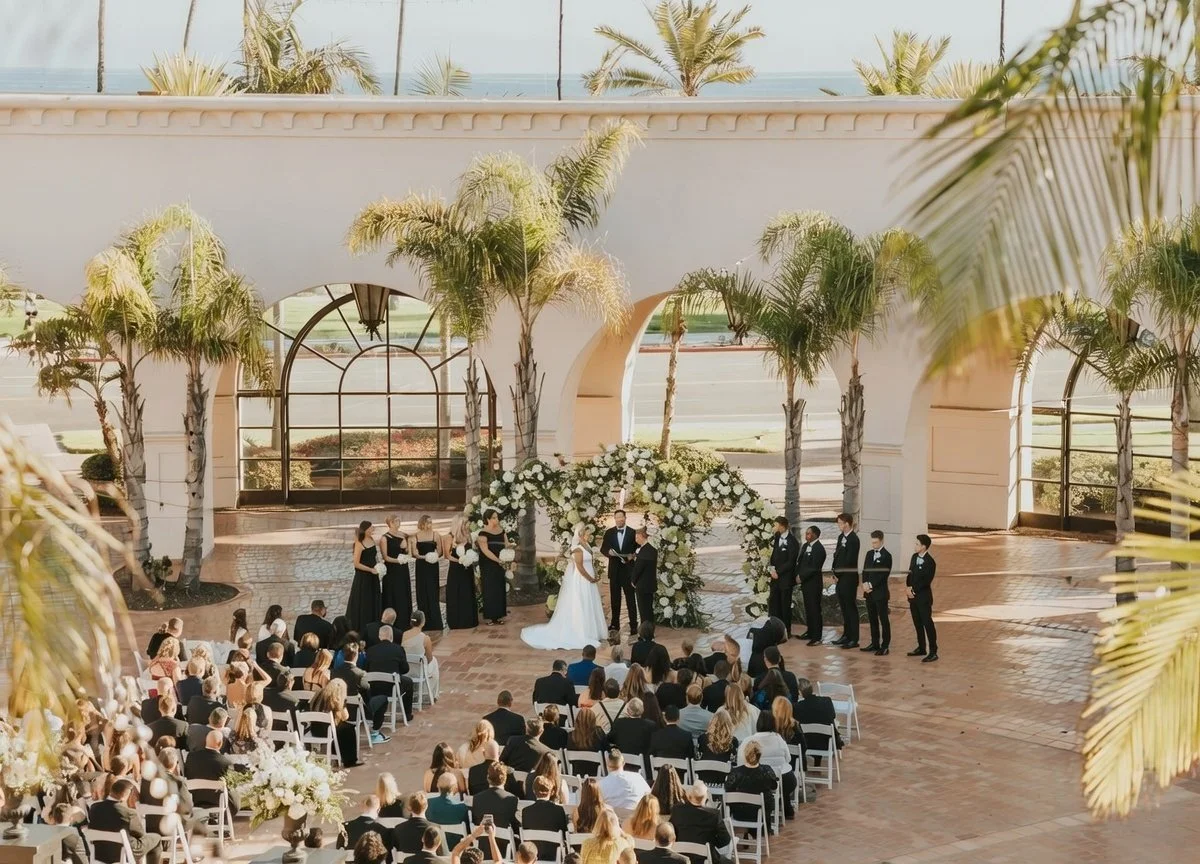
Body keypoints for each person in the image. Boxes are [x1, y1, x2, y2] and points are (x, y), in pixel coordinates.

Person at [522, 524, 607, 649]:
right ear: (581, 535)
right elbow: (580, 567)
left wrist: (595, 574)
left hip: (590, 579)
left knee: (591, 603)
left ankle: (593, 630)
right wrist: (590, 578)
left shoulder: (587, 546)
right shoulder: (577, 549)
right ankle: (582, 631)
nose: (589, 536)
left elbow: (590, 562)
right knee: (582, 602)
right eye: (587, 533)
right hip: (583, 579)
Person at [87, 778, 161, 864]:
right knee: (156, 838)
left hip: (100, 852)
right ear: (127, 794)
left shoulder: (94, 807)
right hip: (123, 851)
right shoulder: (128, 812)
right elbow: (140, 834)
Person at [736, 716, 796, 822]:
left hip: (757, 779)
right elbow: (788, 758)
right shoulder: (779, 739)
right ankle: (785, 807)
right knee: (781, 784)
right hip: (783, 779)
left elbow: (740, 761)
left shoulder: (749, 740)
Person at [332, 642, 391, 745]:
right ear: (356, 655)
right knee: (383, 699)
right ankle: (375, 733)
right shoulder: (360, 673)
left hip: (340, 708)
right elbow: (367, 691)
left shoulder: (334, 672)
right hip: (357, 711)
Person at [669, 782, 730, 864]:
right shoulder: (713, 814)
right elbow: (725, 839)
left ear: (689, 797)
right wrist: (712, 844)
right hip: (705, 858)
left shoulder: (677, 810)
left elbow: (671, 830)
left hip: (680, 856)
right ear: (705, 797)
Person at [600, 510, 639, 635]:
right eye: (617, 518)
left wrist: (633, 555)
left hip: (628, 571)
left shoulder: (633, 532)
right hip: (615, 571)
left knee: (630, 599)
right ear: (614, 519)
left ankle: (634, 625)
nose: (619, 520)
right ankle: (614, 624)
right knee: (615, 599)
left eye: (621, 517)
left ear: (625, 518)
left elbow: (638, 548)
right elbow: (603, 548)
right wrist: (608, 553)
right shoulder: (609, 532)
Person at [365, 624, 416, 720]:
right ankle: (407, 714)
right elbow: (405, 669)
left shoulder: (370, 650)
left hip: (374, 688)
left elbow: (366, 669)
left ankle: (370, 713)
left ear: (379, 636)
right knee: (408, 682)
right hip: (392, 688)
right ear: (391, 637)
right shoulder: (398, 649)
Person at [310, 679, 362, 768]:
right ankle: (349, 760)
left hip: (315, 729)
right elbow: (346, 717)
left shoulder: (318, 694)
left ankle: (337, 755)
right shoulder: (336, 699)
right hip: (328, 730)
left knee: (341, 728)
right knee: (349, 729)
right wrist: (343, 704)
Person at [183, 730, 239, 813]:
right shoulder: (225, 762)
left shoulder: (191, 757)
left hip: (195, 801)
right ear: (220, 744)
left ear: (206, 741)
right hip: (216, 803)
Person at [830, 512, 861, 648]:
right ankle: (846, 635)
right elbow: (836, 555)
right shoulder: (840, 537)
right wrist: (834, 572)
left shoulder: (854, 539)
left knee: (851, 608)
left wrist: (839, 573)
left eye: (840, 523)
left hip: (848, 578)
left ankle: (854, 638)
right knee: (843, 608)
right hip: (840, 578)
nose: (839, 525)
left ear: (847, 524)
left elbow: (849, 561)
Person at [471, 762, 519, 850]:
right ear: (505, 778)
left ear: (488, 778)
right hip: (505, 848)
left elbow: (475, 822)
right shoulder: (512, 799)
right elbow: (515, 826)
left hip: (482, 847)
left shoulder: (477, 798)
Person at [906, 533, 939, 662]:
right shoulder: (914, 557)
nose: (915, 546)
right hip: (913, 596)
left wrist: (914, 590)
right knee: (917, 622)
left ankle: (933, 651)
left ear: (924, 547)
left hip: (923, 597)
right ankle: (921, 647)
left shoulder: (930, 562)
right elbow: (910, 574)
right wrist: (908, 587)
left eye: (917, 544)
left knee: (927, 623)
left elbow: (926, 581)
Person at [793, 678, 843, 759]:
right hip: (827, 742)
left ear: (799, 692)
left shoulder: (798, 707)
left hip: (807, 743)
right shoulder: (827, 701)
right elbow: (833, 716)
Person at [522, 775, 569, 860]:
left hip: (532, 856)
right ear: (551, 792)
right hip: (554, 856)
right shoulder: (558, 810)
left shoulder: (526, 811)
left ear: (533, 791)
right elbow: (565, 835)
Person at [379, 515, 415, 627]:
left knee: (403, 593)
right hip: (392, 569)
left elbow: (408, 551)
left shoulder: (403, 535)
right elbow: (385, 557)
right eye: (396, 521)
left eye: (399, 520)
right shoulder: (385, 538)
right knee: (393, 593)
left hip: (403, 569)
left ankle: (405, 620)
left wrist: (409, 548)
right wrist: (398, 560)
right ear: (390, 522)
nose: (398, 522)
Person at [861, 529, 893, 655]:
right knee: (872, 618)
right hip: (869, 592)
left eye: (876, 542)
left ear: (882, 541)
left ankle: (885, 645)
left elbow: (883, 575)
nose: (873, 545)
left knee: (883, 619)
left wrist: (871, 584)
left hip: (880, 593)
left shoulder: (887, 556)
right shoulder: (869, 554)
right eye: (872, 542)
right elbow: (865, 570)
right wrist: (864, 583)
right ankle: (874, 643)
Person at [348, 520, 383, 633]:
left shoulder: (371, 540)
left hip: (373, 575)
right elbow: (356, 563)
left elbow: (374, 556)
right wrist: (370, 570)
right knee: (364, 600)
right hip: (363, 577)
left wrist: (379, 566)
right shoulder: (359, 543)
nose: (373, 529)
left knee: (374, 598)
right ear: (366, 529)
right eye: (371, 528)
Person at [767, 517, 800, 637]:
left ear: (782, 526)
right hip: (775, 578)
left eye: (776, 525)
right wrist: (772, 569)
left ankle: (786, 630)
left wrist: (778, 572)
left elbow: (791, 562)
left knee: (784, 605)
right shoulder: (777, 537)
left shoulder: (792, 542)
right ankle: (774, 628)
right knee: (774, 603)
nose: (774, 527)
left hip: (785, 579)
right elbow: (773, 555)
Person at [476, 510, 510, 625]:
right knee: (489, 588)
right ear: (488, 519)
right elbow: (485, 550)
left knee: (499, 587)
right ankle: (490, 616)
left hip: (500, 563)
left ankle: (499, 615)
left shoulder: (502, 531)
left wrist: (509, 554)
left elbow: (506, 545)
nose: (497, 519)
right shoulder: (483, 534)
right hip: (488, 564)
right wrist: (498, 560)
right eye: (494, 518)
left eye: (497, 517)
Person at [445, 516, 479, 630]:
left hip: (467, 570)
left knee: (467, 591)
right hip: (455, 569)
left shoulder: (469, 537)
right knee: (456, 592)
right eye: (465, 524)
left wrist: (470, 559)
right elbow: (447, 555)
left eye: (467, 525)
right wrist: (460, 560)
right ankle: (456, 621)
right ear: (460, 525)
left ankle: (469, 619)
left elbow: (473, 551)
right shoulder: (450, 537)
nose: (467, 527)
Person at [413, 515, 445, 632]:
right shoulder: (416, 536)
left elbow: (440, 552)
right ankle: (423, 622)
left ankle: (436, 622)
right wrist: (423, 557)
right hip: (421, 565)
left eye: (431, 522)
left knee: (432, 590)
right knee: (422, 591)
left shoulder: (435, 535)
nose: (430, 525)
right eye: (428, 523)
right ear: (422, 524)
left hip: (432, 565)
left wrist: (433, 556)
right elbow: (414, 553)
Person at [796, 525, 827, 644]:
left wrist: (802, 576)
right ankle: (809, 631)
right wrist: (797, 574)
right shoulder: (805, 546)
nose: (806, 535)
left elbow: (814, 567)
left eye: (808, 533)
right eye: (806, 533)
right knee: (808, 609)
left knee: (814, 609)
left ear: (815, 535)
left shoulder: (819, 549)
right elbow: (800, 562)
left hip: (814, 584)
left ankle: (817, 637)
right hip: (805, 583)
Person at [402, 610, 441, 696]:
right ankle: (433, 694)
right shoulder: (425, 638)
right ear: (423, 622)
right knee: (434, 661)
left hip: (406, 670)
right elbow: (429, 659)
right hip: (418, 671)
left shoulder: (404, 635)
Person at [609, 698, 655, 772]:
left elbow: (610, 739)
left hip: (622, 765)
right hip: (643, 767)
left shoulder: (619, 723)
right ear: (642, 710)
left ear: (627, 710)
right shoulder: (650, 725)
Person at [427, 773, 469, 845]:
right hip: (457, 847)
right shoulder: (462, 808)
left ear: (438, 786)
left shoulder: (427, 804)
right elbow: (468, 831)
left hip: (435, 846)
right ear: (455, 787)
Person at [630, 528, 658, 627]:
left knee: (643, 610)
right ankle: (650, 629)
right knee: (649, 609)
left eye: (637, 537)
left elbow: (638, 569)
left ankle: (645, 632)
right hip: (650, 584)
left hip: (642, 585)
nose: (636, 539)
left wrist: (633, 580)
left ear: (642, 536)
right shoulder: (652, 550)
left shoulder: (644, 552)